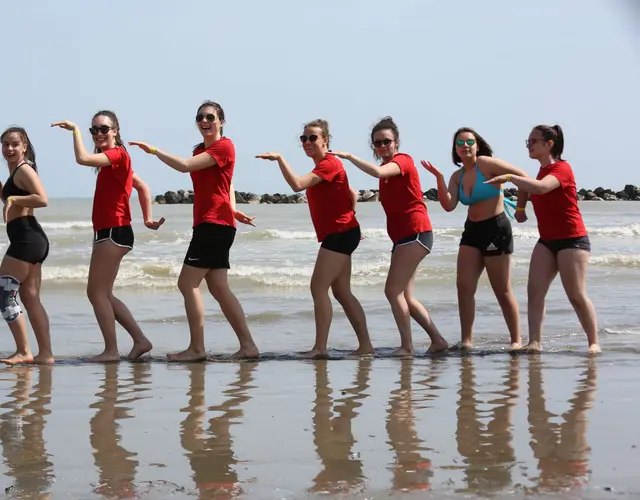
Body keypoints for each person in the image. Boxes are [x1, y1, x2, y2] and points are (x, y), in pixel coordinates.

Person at [128, 100, 259, 361]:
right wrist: (233, 210)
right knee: (220, 288)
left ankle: (197, 349)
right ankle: (248, 346)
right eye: (200, 117)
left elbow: (185, 166)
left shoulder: (225, 146)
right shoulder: (201, 149)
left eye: (210, 116)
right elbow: (228, 184)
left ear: (222, 120)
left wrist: (154, 150)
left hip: (213, 225)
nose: (204, 121)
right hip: (216, 223)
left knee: (187, 283)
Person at [256, 119, 375, 358]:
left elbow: (298, 185)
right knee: (341, 291)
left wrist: (280, 159)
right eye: (304, 138)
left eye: (313, 138)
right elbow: (351, 192)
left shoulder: (328, 164)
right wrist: (350, 218)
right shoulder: (325, 165)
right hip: (344, 231)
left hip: (340, 234)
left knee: (318, 287)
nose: (308, 142)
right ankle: (366, 346)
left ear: (325, 141)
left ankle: (320, 348)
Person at [331, 116, 449, 356]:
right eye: (377, 143)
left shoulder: (402, 161)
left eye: (387, 142)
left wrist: (350, 157)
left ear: (396, 142)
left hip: (416, 233)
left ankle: (407, 347)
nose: (383, 147)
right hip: (404, 238)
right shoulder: (386, 173)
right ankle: (438, 340)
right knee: (406, 295)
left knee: (392, 291)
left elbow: (376, 170)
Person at [51, 110, 163, 362]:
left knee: (96, 294)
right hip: (111, 231)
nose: (98, 134)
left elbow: (81, 158)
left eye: (103, 129)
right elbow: (143, 187)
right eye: (94, 130)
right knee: (105, 294)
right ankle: (140, 340)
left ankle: (111, 351)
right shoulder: (115, 161)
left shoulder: (117, 154)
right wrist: (146, 218)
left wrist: (75, 131)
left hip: (114, 231)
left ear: (115, 131)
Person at [484, 124, 600, 353]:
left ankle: (593, 343)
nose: (529, 145)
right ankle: (534, 343)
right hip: (547, 240)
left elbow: (540, 188)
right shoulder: (541, 171)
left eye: (533, 141)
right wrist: (519, 208)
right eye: (527, 141)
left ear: (549, 144)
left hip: (572, 240)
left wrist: (509, 177)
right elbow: (529, 185)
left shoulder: (562, 169)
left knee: (576, 295)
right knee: (535, 291)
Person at [421, 127, 530, 351]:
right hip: (471, 231)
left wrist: (520, 208)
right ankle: (467, 341)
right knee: (464, 287)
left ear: (477, 145)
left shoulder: (487, 164)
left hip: (496, 228)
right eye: (459, 144)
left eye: (469, 142)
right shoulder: (456, 176)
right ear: (455, 150)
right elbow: (449, 205)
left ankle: (516, 340)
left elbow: (523, 177)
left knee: (502, 289)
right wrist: (440, 179)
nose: (465, 146)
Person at [0, 127, 53, 365]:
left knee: (4, 294)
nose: (9, 149)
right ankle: (45, 355)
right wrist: (6, 193)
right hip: (31, 239)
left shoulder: (24, 169)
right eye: (5, 144)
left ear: (24, 146)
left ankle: (24, 351)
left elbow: (42, 198)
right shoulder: (16, 172)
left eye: (14, 144)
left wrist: (12, 198)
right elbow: (15, 199)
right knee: (30, 298)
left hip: (27, 239)